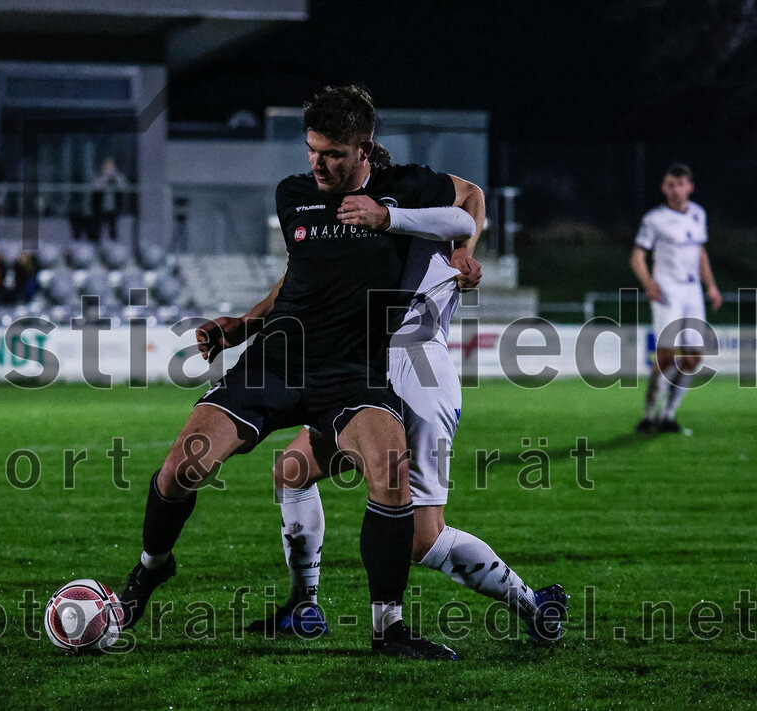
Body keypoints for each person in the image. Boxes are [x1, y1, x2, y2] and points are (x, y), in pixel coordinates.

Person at [115, 85, 481, 659]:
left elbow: (471, 197)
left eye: (332, 153)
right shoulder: (294, 196)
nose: (317, 163)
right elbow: (297, 278)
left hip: (353, 370)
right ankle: (151, 568)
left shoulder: (405, 187)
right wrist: (243, 323)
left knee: (390, 471)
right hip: (279, 359)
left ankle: (388, 629)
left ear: (363, 148)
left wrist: (463, 249)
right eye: (312, 149)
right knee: (179, 468)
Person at [229, 145, 567, 644]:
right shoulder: (355, 223)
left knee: (421, 537)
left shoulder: (413, 213)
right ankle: (303, 607)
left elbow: (465, 204)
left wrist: (461, 252)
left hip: (416, 372)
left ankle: (533, 604)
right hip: (363, 367)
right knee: (294, 471)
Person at [631, 163, 722, 434]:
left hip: (692, 290)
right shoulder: (654, 219)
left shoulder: (698, 214)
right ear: (664, 188)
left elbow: (700, 252)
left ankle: (669, 415)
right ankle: (649, 414)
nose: (676, 190)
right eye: (671, 185)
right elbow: (637, 256)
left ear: (690, 187)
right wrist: (649, 283)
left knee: (694, 358)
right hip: (667, 290)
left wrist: (712, 286)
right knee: (666, 357)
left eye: (681, 184)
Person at [90, 156, 128, 242]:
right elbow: (96, 187)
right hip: (101, 207)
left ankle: (113, 243)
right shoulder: (99, 176)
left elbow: (123, 186)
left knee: (113, 227)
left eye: (111, 166)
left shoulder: (118, 177)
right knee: (98, 227)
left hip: (113, 208)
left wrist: (115, 175)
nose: (109, 168)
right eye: (107, 166)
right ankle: (97, 242)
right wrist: (105, 176)